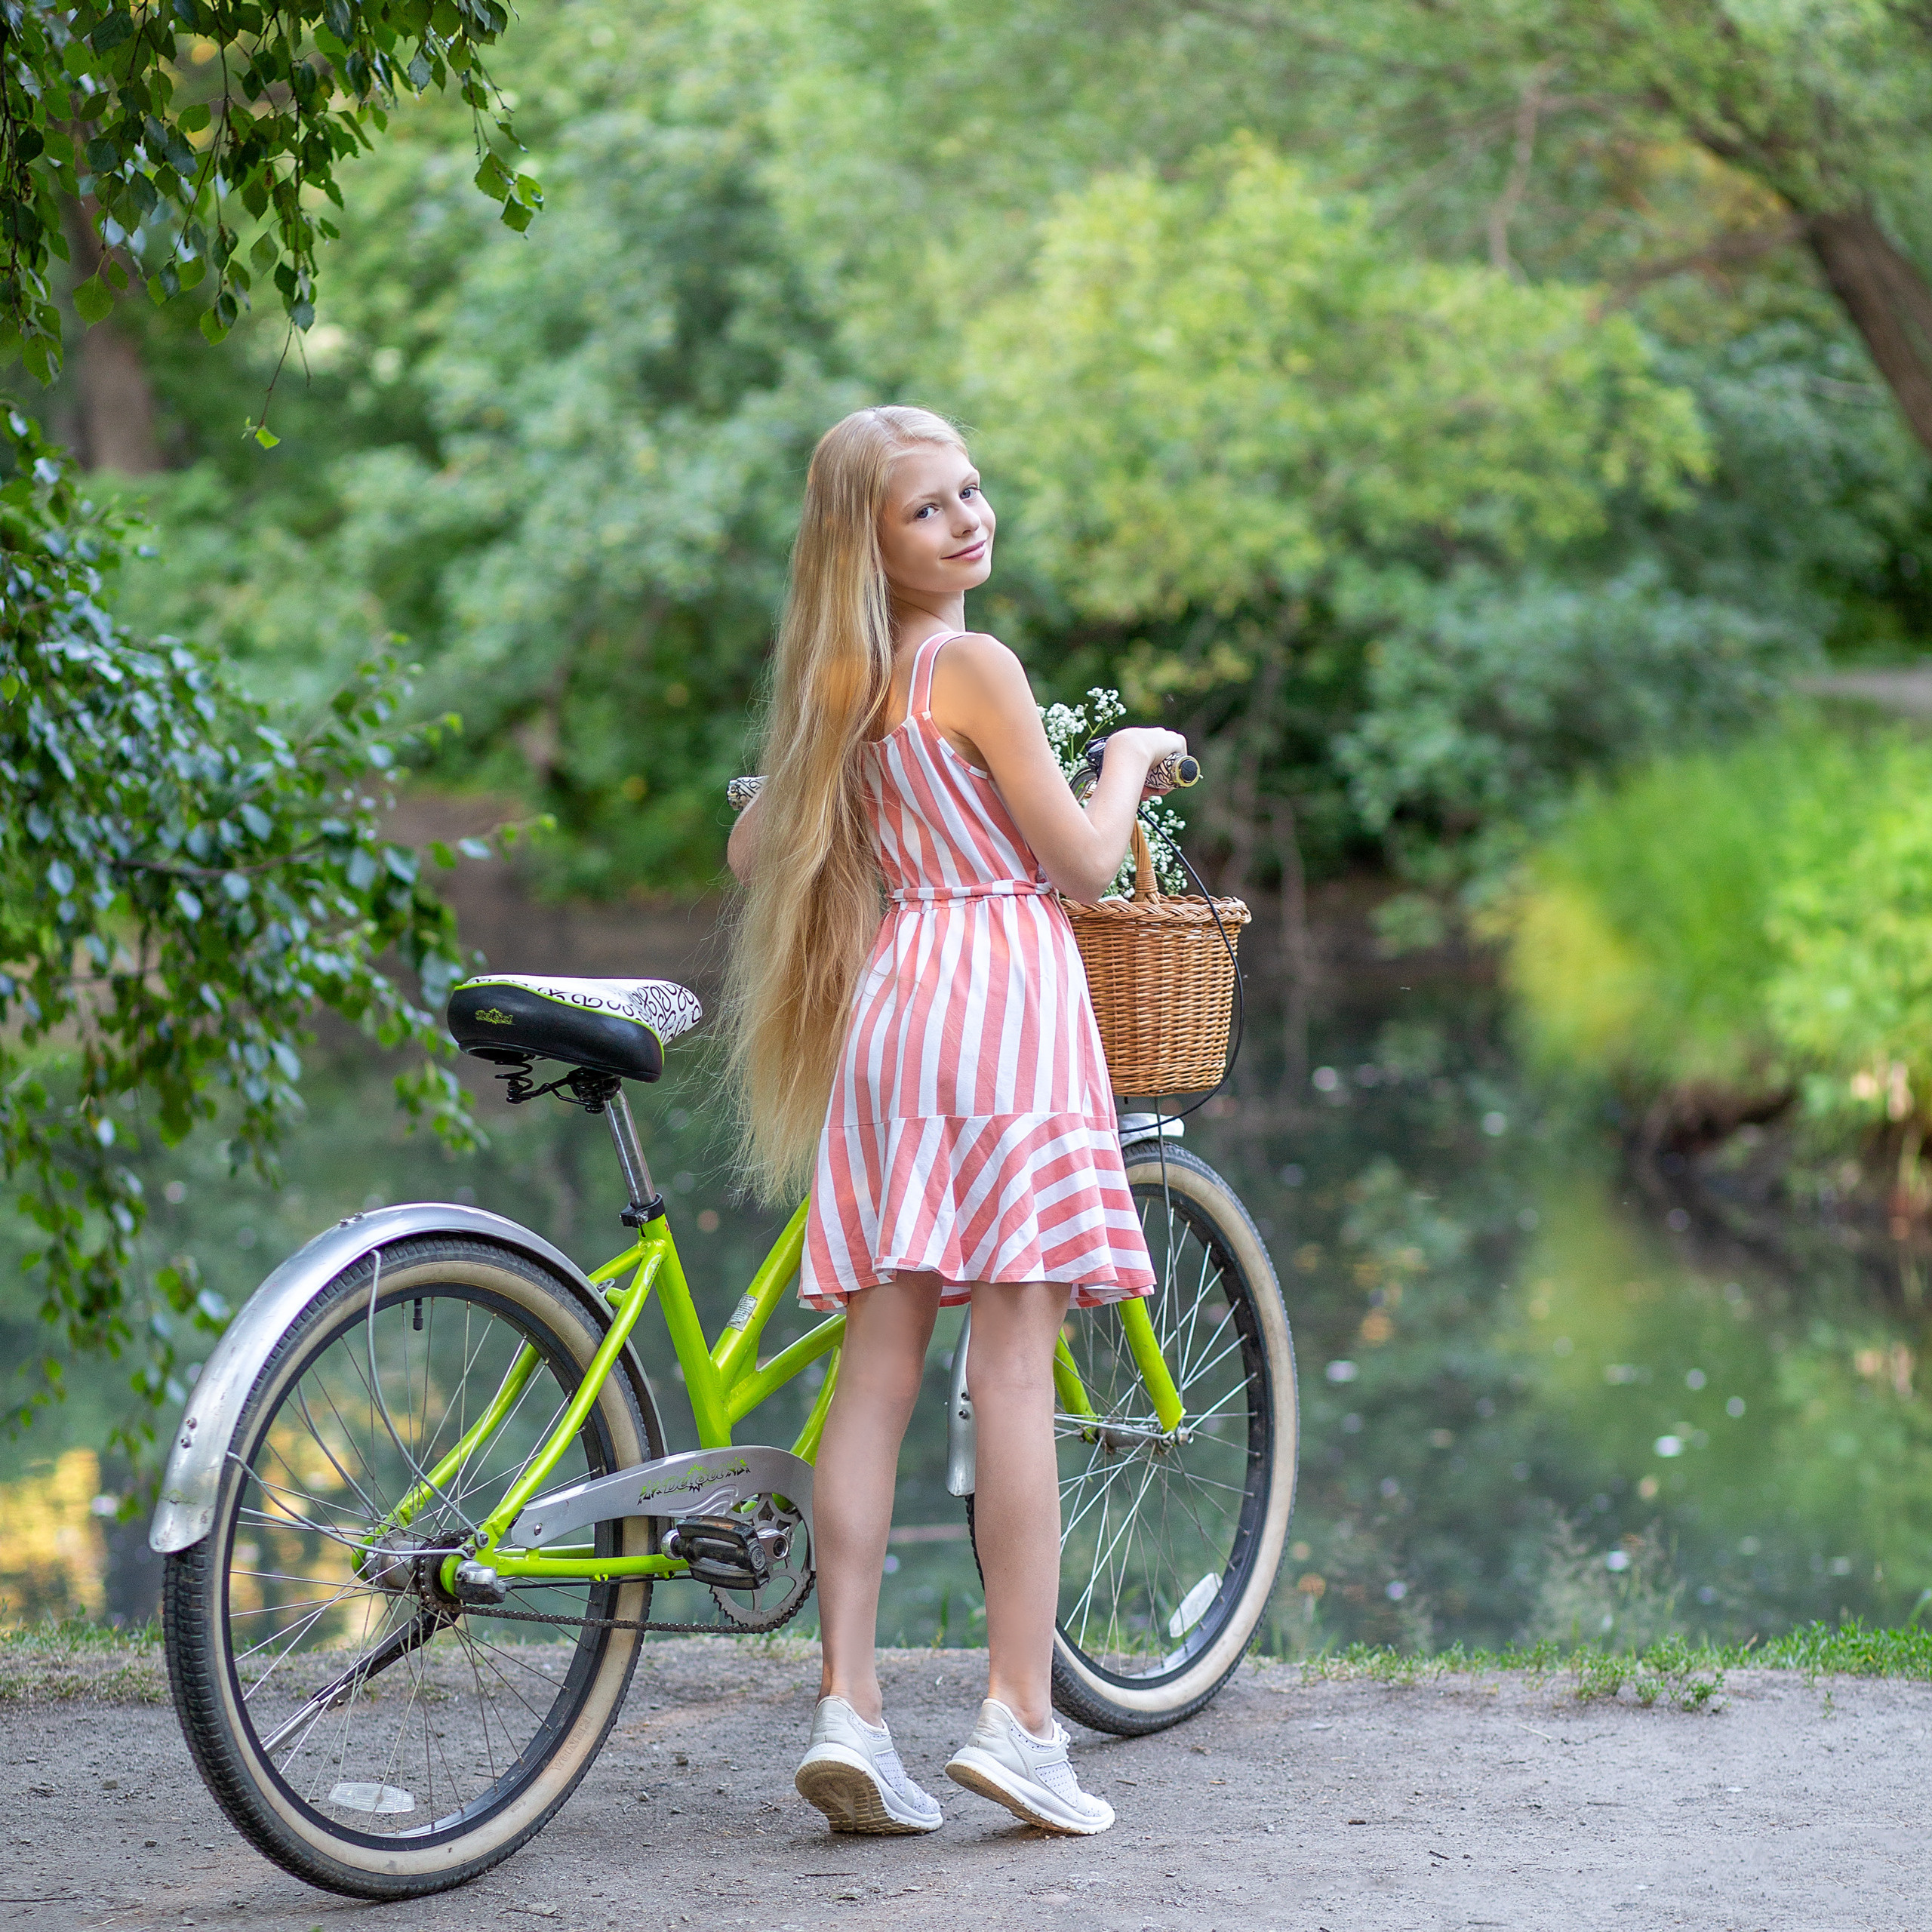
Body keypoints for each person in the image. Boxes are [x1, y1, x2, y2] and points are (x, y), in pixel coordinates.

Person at [724, 405, 1183, 1838]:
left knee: (875, 1376)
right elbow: (1085, 868)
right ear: (867, 543)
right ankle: (1020, 1719)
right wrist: (1130, 760)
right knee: (1015, 1377)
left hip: (895, 1017)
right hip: (1006, 1010)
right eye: (927, 509)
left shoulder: (840, 686)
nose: (968, 520)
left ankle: (849, 1709)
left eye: (971, 492)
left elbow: (749, 849)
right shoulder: (974, 668)